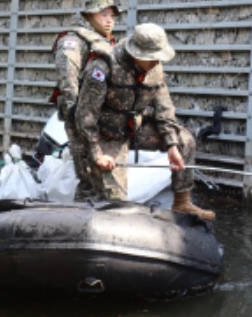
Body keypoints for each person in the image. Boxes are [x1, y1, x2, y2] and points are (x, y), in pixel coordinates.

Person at [75, 23, 216, 221]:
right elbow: (85, 115)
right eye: (152, 57)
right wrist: (97, 154)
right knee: (115, 200)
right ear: (136, 54)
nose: (156, 61)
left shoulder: (155, 69)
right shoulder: (103, 67)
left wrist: (172, 144)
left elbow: (164, 109)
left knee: (184, 140)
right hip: (107, 134)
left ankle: (182, 202)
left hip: (137, 128)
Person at [50, 0, 123, 199]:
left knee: (103, 174)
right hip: (80, 115)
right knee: (88, 173)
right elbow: (68, 78)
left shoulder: (105, 41)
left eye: (112, 15)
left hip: (102, 114)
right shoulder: (73, 42)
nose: (109, 20)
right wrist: (76, 113)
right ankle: (83, 214)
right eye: (103, 14)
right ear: (90, 16)